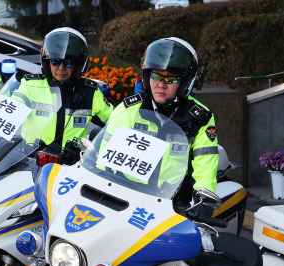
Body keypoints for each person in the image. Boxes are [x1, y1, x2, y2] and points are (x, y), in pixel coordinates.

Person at [111, 37, 218, 206]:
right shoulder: (129, 109)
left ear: (185, 82)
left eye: (170, 79)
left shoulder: (200, 118)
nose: (161, 84)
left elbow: (205, 167)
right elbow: (103, 157)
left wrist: (203, 201)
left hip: (171, 205)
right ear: (147, 76)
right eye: (155, 76)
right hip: (125, 196)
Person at [12, 27, 113, 153]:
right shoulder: (30, 85)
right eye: (55, 61)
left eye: (68, 62)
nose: (61, 68)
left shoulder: (90, 92)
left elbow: (116, 122)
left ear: (78, 64)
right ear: (47, 61)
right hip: (31, 161)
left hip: (69, 166)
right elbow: (10, 110)